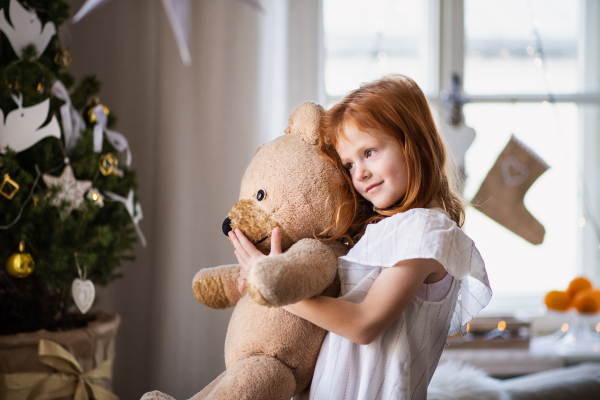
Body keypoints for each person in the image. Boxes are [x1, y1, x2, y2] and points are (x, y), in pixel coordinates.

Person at [230, 75, 492, 400]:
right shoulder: (390, 230)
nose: (360, 173)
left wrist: (273, 291)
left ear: (415, 144)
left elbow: (363, 325)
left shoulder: (427, 231)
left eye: (370, 152)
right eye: (349, 164)